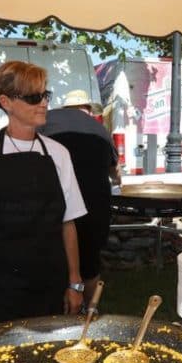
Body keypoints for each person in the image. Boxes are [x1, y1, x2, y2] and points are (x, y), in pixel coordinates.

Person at [0, 61, 87, 329]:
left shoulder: (58, 153)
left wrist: (75, 283)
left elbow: (68, 224)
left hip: (51, 284)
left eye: (45, 95)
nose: (44, 103)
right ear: (6, 102)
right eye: (34, 97)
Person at [39, 89, 120, 305]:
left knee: (52, 260)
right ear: (88, 110)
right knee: (90, 263)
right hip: (92, 203)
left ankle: (55, 310)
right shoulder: (99, 129)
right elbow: (116, 173)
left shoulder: (46, 120)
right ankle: (89, 315)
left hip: (53, 201)